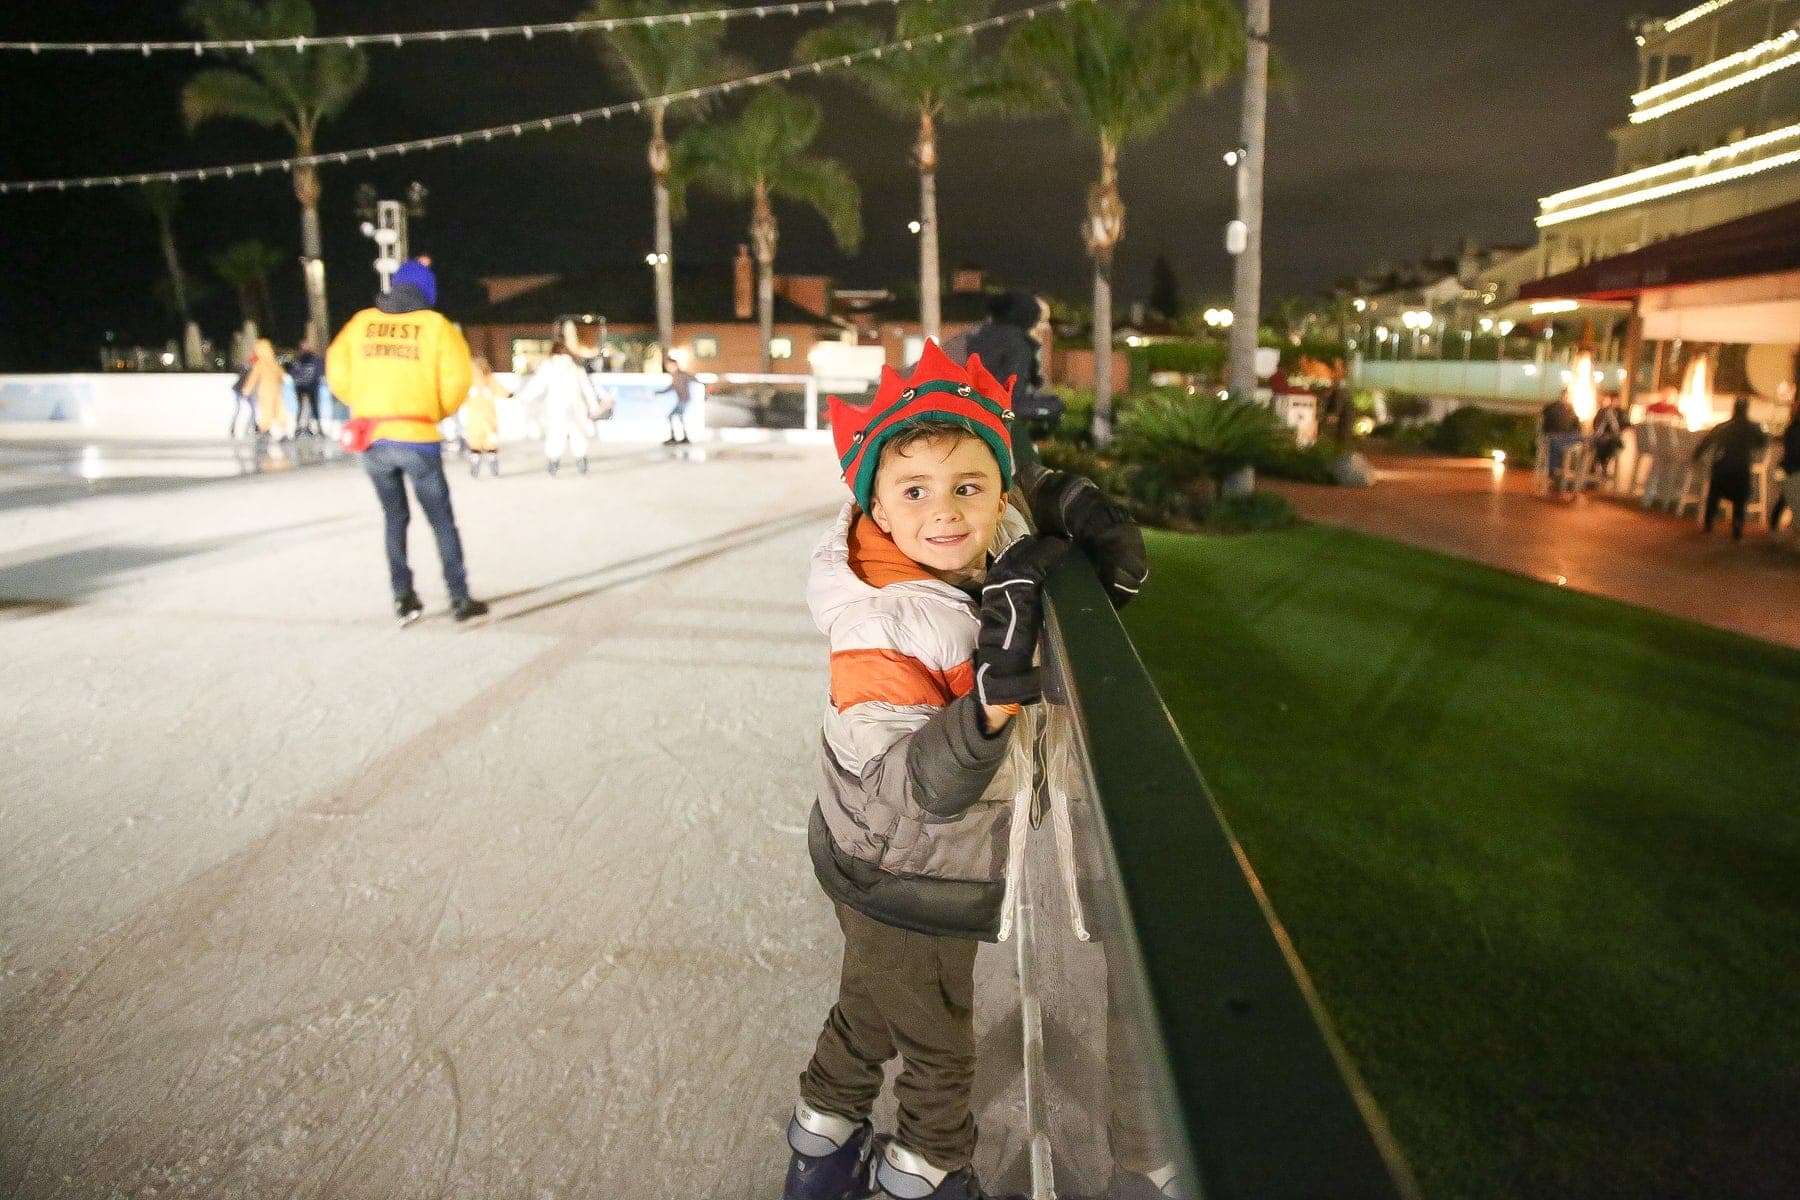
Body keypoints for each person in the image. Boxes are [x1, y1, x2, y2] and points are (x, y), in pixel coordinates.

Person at [785, 340, 1147, 1200]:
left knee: (872, 1007)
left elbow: (1018, 499)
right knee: (941, 1040)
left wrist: (1065, 500)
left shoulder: (972, 539)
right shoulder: (880, 625)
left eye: (968, 488)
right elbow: (908, 790)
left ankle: (820, 1142)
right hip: (897, 868)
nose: (946, 513)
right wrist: (984, 708)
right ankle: (928, 1170)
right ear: (872, 500)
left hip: (914, 865)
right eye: (914, 491)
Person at [325, 258, 488, 623]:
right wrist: (435, 412)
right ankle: (459, 598)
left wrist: (364, 401)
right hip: (417, 436)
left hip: (373, 438)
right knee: (441, 521)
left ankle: (403, 596)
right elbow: (457, 381)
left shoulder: (361, 323)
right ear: (427, 291)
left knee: (394, 518)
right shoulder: (437, 327)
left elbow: (336, 367)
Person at [514, 344, 600, 475]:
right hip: (576, 407)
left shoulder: (549, 367)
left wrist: (523, 397)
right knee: (577, 434)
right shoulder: (576, 368)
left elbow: (537, 385)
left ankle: (553, 462)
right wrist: (593, 406)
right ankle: (581, 461)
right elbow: (587, 388)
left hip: (556, 407)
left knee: (555, 435)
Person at [1694, 395, 1769, 541]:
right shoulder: (1754, 428)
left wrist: (1696, 456)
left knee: (1714, 496)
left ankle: (1708, 524)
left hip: (1722, 466)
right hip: (1742, 466)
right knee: (1740, 500)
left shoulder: (1724, 426)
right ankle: (1737, 529)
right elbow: (1763, 443)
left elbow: (1707, 441)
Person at [462, 356, 508, 478]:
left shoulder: (489, 380)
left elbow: (500, 390)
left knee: (491, 442)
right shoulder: (469, 381)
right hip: (475, 419)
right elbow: (461, 396)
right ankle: (475, 465)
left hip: (488, 418)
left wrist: (508, 394)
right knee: (475, 442)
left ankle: (493, 465)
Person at [1539, 391, 1582, 497]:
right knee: (1557, 447)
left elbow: (1576, 426)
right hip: (1556, 436)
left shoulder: (1569, 411)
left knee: (1579, 440)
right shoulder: (1554, 408)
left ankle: (1560, 472)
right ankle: (1555, 472)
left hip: (1565, 437)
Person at [1769, 395, 1799, 532]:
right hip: (1793, 469)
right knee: (1788, 497)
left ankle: (1773, 525)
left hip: (1788, 469)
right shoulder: (1793, 429)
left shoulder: (1791, 428)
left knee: (1786, 497)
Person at [658, 354, 701, 445]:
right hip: (681, 400)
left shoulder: (681, 375)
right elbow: (672, 387)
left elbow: (693, 378)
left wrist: (704, 384)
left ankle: (680, 437)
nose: (669, 367)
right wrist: (660, 392)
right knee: (675, 417)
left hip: (683, 400)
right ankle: (681, 437)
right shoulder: (675, 375)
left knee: (675, 417)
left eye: (670, 365)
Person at [288, 339, 325, 436]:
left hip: (305, 386)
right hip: (309, 386)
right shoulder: (312, 359)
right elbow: (320, 370)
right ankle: (313, 428)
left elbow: (292, 373)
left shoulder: (300, 360)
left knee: (308, 407)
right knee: (312, 407)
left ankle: (303, 428)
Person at [1591, 392, 1625, 478]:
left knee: (1612, 443)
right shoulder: (1607, 411)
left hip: (1605, 439)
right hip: (1605, 439)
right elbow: (1601, 427)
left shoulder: (1617, 412)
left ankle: (1601, 466)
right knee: (1613, 443)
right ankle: (1603, 466)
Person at [228, 349, 259, 439]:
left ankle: (254, 426)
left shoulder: (253, 369)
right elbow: (243, 381)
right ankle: (233, 427)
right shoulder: (247, 368)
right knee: (238, 409)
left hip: (246, 392)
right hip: (239, 391)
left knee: (253, 409)